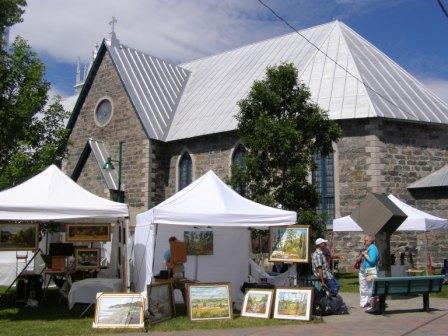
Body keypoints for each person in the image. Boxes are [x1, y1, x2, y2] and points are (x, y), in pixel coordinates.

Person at [356, 234, 379, 309]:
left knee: (370, 287)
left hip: (370, 270)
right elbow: (357, 260)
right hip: (362, 270)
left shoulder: (373, 248)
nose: (364, 242)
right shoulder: (366, 248)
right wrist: (362, 254)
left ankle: (370, 303)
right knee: (363, 287)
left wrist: (365, 255)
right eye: (364, 240)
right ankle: (363, 302)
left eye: (366, 240)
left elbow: (372, 261)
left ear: (370, 241)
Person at [162, 236, 187, 303]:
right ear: (171, 243)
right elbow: (165, 262)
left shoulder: (180, 251)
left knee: (183, 289)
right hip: (172, 273)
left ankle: (187, 305)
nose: (177, 244)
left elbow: (183, 260)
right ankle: (171, 306)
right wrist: (171, 266)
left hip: (181, 272)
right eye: (175, 242)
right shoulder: (167, 252)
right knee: (171, 289)